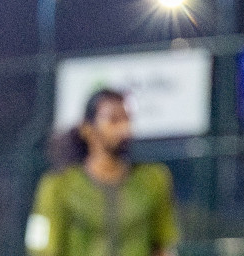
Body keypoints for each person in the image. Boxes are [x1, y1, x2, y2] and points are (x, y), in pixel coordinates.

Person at [25, 89, 180, 256]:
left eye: (127, 119)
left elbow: (163, 246)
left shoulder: (153, 179)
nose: (124, 128)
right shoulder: (58, 185)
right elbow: (41, 249)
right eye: (113, 120)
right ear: (87, 129)